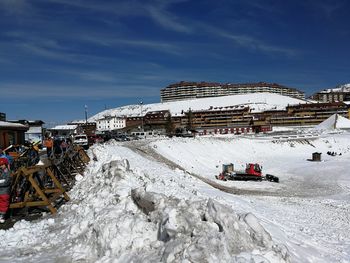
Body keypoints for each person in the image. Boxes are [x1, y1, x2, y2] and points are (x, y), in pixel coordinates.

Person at [0, 158, 11, 223]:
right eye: (0, 165)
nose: (1, 166)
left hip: (4, 191)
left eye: (3, 165)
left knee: (3, 203)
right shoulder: (1, 171)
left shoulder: (8, 172)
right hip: (1, 191)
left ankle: (2, 215)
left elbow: (6, 182)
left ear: (6, 164)